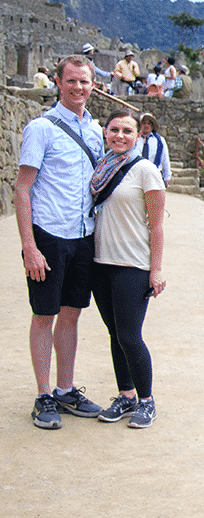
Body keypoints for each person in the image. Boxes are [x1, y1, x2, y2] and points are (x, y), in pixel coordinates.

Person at [16, 55, 105, 429]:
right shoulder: (42, 128)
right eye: (72, 81)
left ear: (92, 85)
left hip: (83, 236)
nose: (78, 87)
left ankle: (66, 389)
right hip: (49, 236)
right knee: (44, 315)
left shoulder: (97, 131)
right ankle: (42, 395)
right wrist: (30, 247)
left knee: (71, 314)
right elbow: (22, 190)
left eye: (85, 82)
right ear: (58, 82)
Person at [91, 109, 167, 429]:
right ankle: (126, 395)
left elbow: (157, 226)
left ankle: (146, 401)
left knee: (130, 336)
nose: (119, 135)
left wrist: (157, 269)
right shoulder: (100, 167)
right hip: (100, 263)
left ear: (138, 135)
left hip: (132, 264)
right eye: (114, 130)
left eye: (127, 130)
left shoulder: (146, 170)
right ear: (105, 132)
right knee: (114, 334)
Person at [139, 113, 172, 186]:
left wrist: (167, 176)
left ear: (152, 126)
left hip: (154, 176)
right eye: (144, 123)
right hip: (137, 175)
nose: (146, 126)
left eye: (149, 123)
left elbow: (165, 159)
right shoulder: (135, 139)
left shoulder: (159, 140)